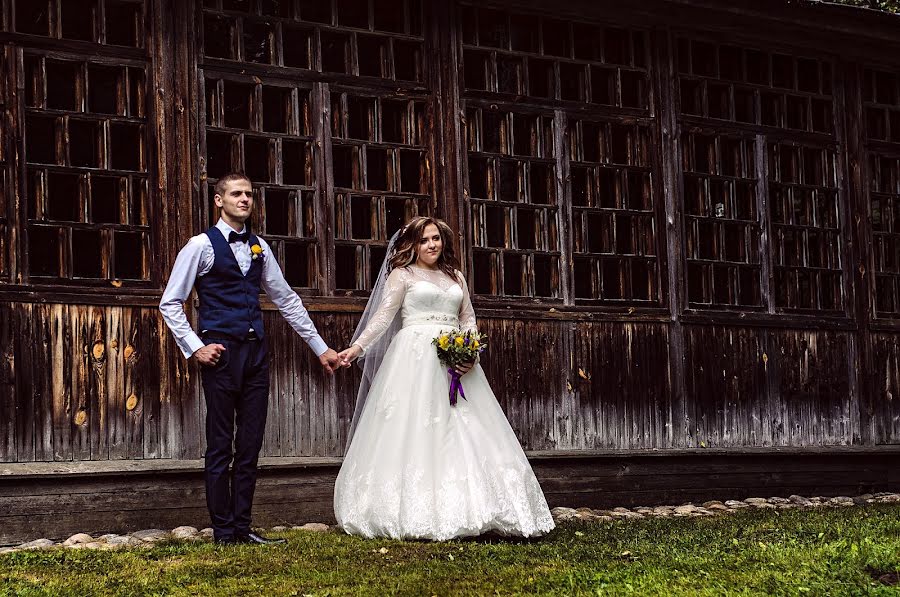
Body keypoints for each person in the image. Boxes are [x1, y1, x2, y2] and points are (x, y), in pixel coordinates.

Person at [333, 216, 555, 540]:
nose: (432, 245)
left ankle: (482, 506)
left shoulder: (455, 276)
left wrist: (470, 351)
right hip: (415, 358)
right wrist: (357, 348)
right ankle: (415, 510)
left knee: (467, 426)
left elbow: (468, 317)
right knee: (417, 428)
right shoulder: (402, 275)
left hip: (456, 358)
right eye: (424, 240)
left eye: (436, 238)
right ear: (413, 244)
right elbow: (384, 315)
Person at [160, 172, 342, 545]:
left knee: (250, 443)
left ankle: (242, 528)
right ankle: (224, 532)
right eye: (236, 194)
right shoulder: (200, 246)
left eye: (249, 194)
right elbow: (170, 302)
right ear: (219, 200)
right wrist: (196, 347)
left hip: (256, 353)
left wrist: (320, 348)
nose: (244, 200)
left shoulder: (260, 246)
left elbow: (287, 299)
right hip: (221, 354)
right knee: (220, 442)